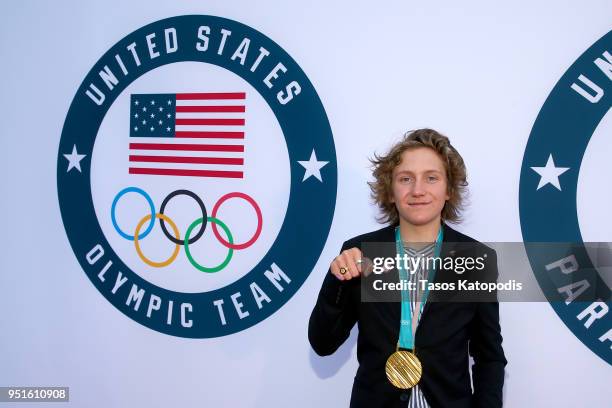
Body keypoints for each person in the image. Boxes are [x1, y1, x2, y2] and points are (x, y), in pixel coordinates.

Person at [308, 129, 506, 408]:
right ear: (390, 191)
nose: (417, 190)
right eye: (405, 179)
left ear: (448, 189)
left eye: (431, 178)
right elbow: (322, 343)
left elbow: (489, 356)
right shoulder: (360, 253)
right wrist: (336, 281)